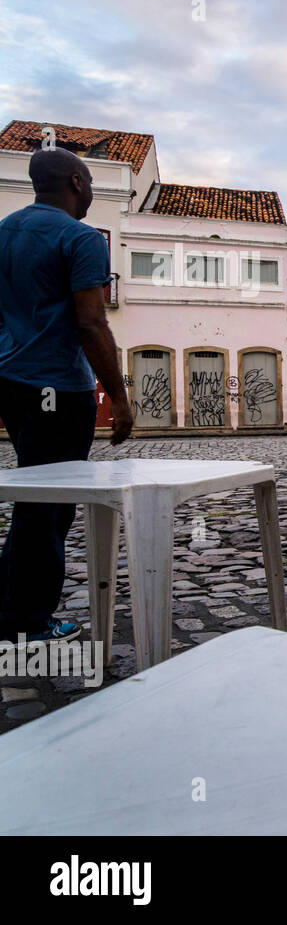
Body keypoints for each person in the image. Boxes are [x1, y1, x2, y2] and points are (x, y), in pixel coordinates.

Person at [0, 147, 133, 647]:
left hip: (13, 382)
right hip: (57, 385)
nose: (93, 192)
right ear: (77, 182)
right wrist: (118, 399)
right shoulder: (80, 239)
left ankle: (10, 604)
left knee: (35, 495)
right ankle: (26, 620)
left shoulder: (4, 232)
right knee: (50, 506)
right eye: (91, 182)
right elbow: (91, 322)